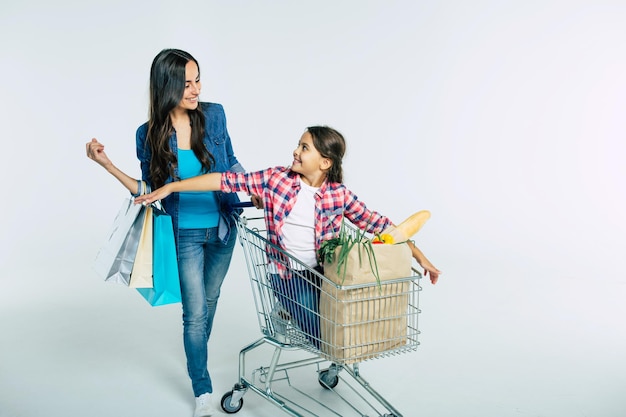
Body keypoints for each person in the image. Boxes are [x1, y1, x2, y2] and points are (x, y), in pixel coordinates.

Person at [134, 125, 442, 346]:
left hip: (324, 274)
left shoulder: (339, 195)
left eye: (305, 148)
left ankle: (292, 318)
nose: (295, 151)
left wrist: (422, 258)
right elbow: (223, 179)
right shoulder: (276, 179)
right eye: (298, 144)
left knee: (346, 327)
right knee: (324, 337)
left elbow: (380, 225)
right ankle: (285, 314)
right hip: (287, 274)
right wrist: (171, 187)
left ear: (325, 162)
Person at [86, 48, 261, 417]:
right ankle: (202, 389)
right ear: (166, 87)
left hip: (224, 227)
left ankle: (196, 354)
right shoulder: (148, 134)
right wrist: (107, 165)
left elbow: (230, 163)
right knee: (194, 315)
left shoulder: (214, 116)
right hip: (185, 236)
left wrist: (255, 190)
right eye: (186, 84)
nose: (195, 90)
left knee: (209, 303)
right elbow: (147, 190)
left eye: (198, 80)